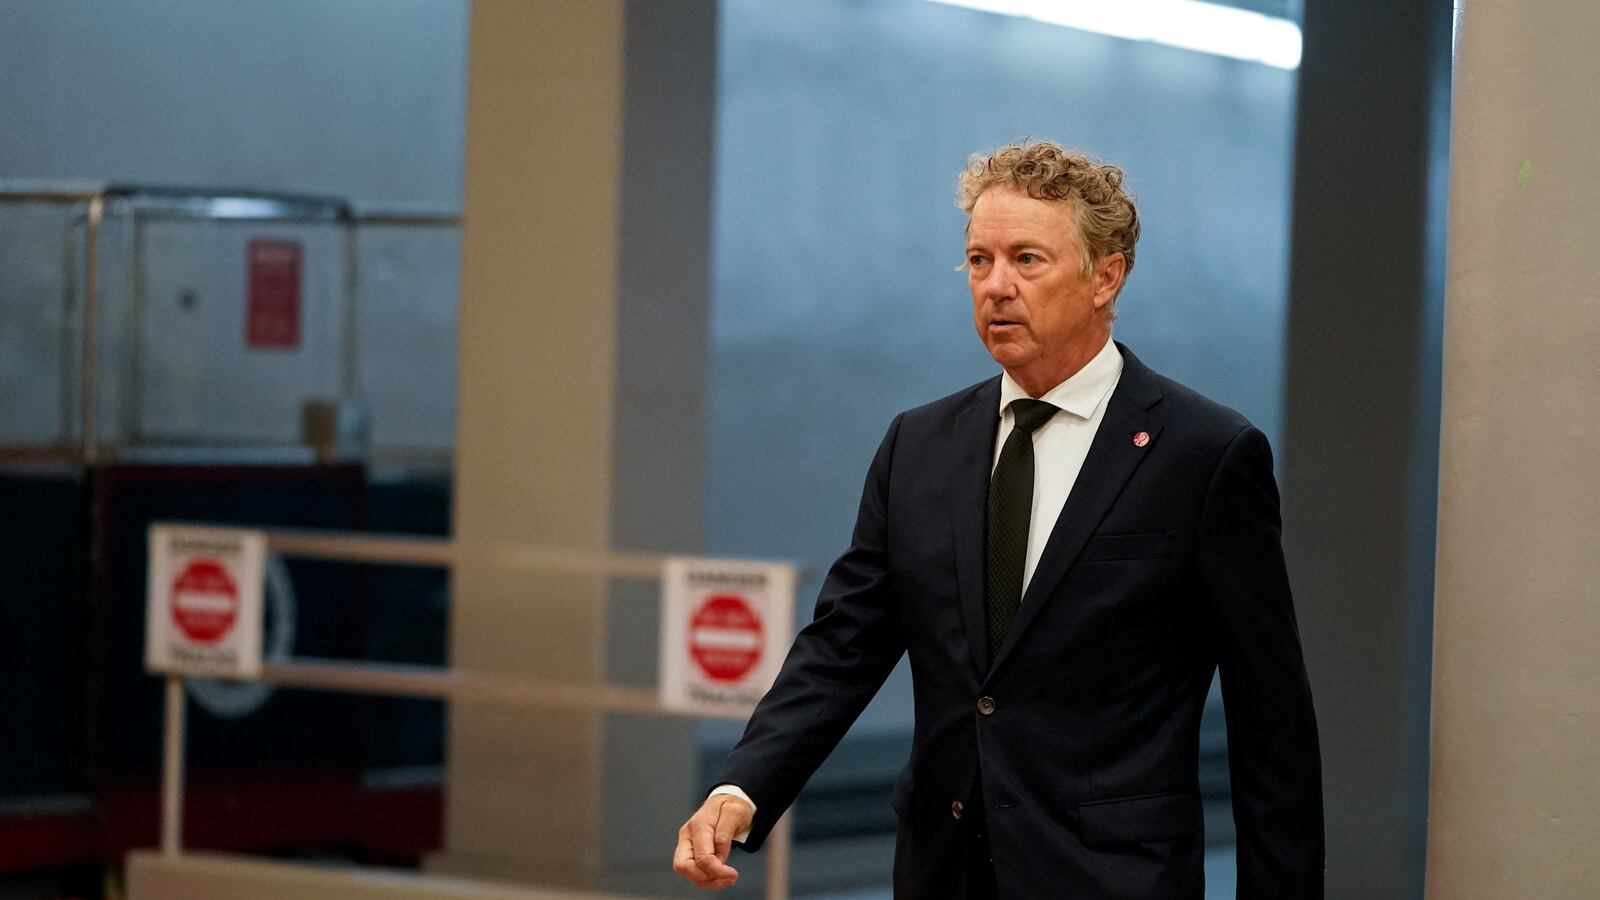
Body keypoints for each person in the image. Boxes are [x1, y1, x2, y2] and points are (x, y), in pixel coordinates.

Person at [672, 141, 1324, 898]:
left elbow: (1270, 715)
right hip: (942, 871)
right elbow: (844, 644)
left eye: (1027, 260)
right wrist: (742, 789)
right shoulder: (919, 445)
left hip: (1110, 876)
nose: (997, 286)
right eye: (979, 261)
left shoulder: (1205, 455)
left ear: (1105, 277)